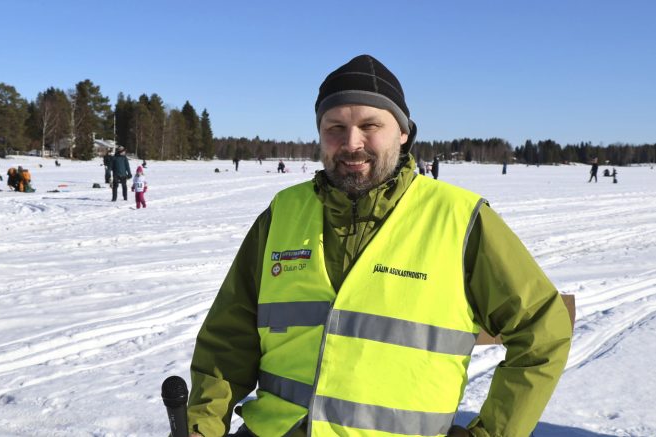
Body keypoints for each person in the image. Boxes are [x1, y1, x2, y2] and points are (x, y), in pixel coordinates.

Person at [187, 54, 572, 437]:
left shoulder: (461, 218)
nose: (352, 143)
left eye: (370, 125)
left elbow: (543, 330)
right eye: (335, 127)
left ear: (404, 133)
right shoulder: (282, 212)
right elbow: (228, 335)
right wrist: (203, 425)